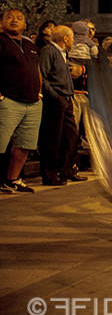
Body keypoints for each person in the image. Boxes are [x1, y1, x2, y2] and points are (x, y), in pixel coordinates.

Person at [38, 25, 86, 185]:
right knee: (53, 137)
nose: (73, 41)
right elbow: (42, 77)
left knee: (70, 135)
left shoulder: (63, 53)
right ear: (65, 38)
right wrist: (54, 95)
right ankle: (50, 173)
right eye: (72, 37)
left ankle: (65, 169)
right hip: (56, 99)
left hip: (67, 98)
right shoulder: (48, 51)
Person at [0, 10, 42, 193]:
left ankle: (13, 179)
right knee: (1, 144)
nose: (14, 20)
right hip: (9, 100)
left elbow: (36, 69)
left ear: (25, 24)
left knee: (25, 145)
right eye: (9, 17)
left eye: (19, 18)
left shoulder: (29, 44)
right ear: (1, 23)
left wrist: (39, 92)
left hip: (33, 102)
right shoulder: (1, 41)